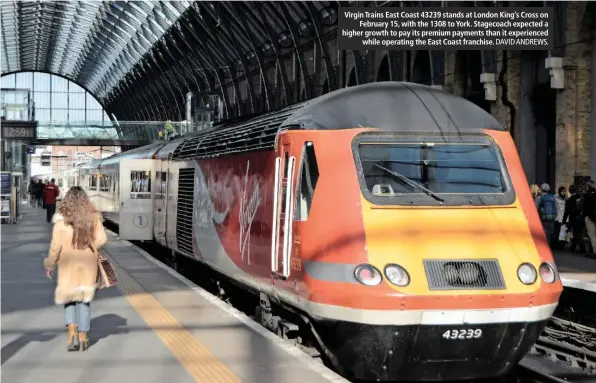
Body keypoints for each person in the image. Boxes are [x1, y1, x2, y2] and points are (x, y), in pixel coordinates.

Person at [43, 186, 107, 351]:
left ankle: (72, 331)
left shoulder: (61, 221)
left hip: (67, 265)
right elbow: (102, 239)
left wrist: (50, 265)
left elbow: (55, 248)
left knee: (69, 298)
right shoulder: (93, 219)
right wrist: (90, 245)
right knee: (84, 300)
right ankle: (83, 335)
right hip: (87, 265)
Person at [563, 185, 586, 254]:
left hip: (574, 218)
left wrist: (564, 220)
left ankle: (582, 248)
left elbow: (566, 211)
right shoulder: (582, 198)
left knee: (577, 233)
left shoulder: (570, 199)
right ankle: (573, 247)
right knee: (577, 233)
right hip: (581, 218)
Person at [582, 181, 596, 257]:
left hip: (590, 217)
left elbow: (584, 208)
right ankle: (592, 250)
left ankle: (595, 251)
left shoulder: (586, 196)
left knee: (592, 235)